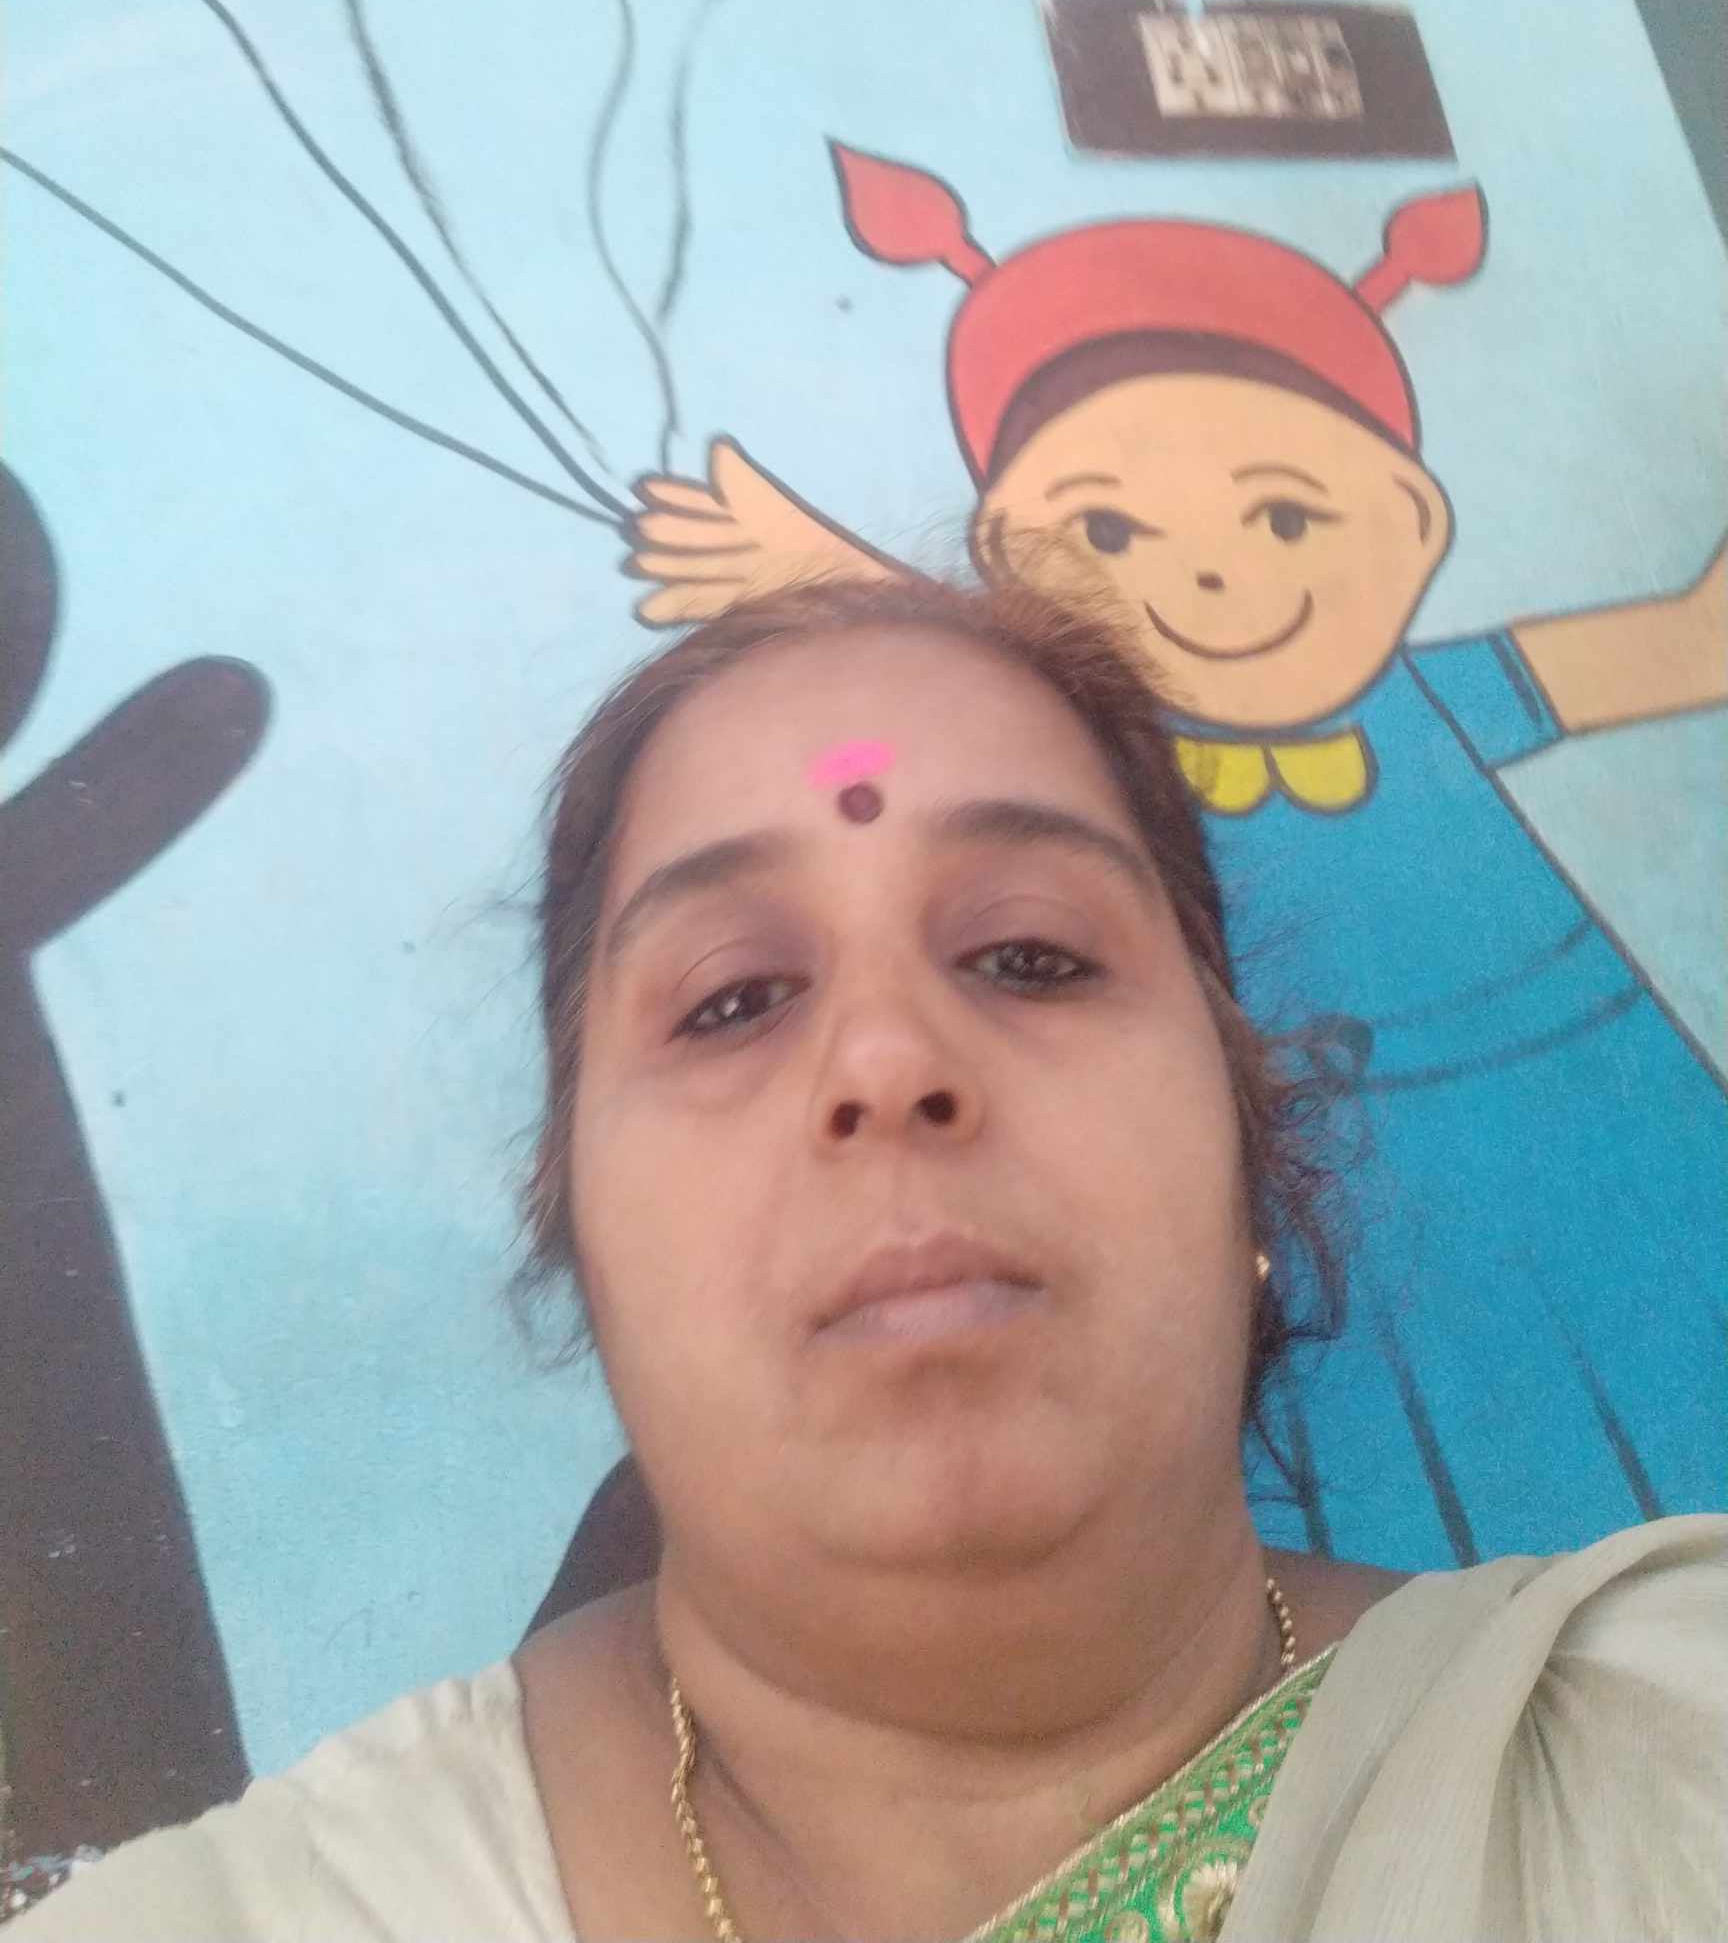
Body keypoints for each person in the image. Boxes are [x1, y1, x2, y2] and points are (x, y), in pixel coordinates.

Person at [15, 578, 1724, 1942]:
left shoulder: (1667, 1742)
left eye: (1032, 954)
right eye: (735, 999)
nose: (889, 1062)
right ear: (579, 1235)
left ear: (1248, 1155)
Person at [627, 149, 1728, 1567]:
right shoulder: (1103, 757)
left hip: (1572, 1090)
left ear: (1413, 524)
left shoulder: (1437, 698)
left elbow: (1691, 642)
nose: (1212, 570)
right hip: (1305, 1152)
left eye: (1286, 514)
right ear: (1013, 563)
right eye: (1106, 530)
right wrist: (825, 573)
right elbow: (982, 685)